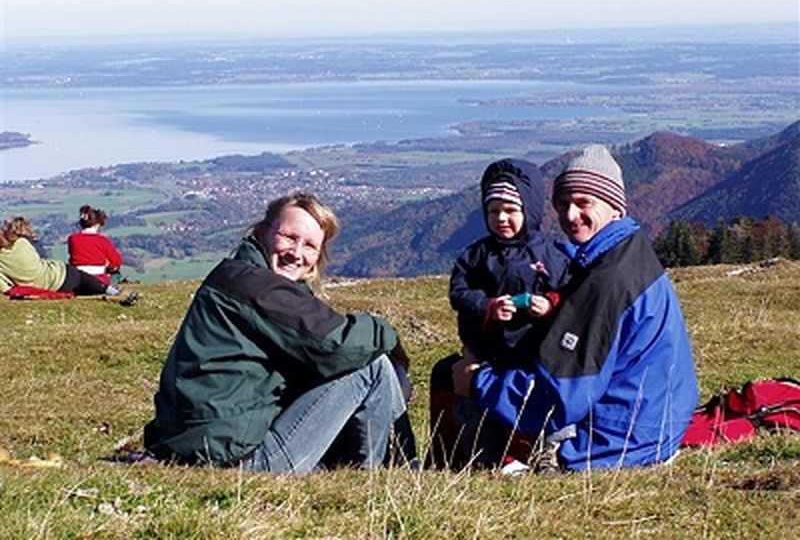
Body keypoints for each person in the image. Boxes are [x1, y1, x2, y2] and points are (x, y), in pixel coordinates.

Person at [450, 145, 699, 471]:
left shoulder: (606, 282)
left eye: (584, 204)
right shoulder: (627, 253)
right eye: (563, 204)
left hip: (618, 441)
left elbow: (560, 396)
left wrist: (479, 381)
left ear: (615, 207)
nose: (569, 215)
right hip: (657, 420)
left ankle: (466, 466)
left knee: (456, 377)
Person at [143, 192, 415, 473]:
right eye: (288, 237)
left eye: (310, 246)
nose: (296, 253)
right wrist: (389, 337)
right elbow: (338, 344)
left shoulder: (238, 276)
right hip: (238, 458)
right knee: (372, 366)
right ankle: (396, 471)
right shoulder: (256, 287)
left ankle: (386, 466)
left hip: (200, 444)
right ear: (262, 231)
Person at [428, 158, 570, 469]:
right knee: (473, 402)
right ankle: (479, 457)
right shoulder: (477, 256)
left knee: (540, 400)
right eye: (494, 211)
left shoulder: (550, 255)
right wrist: (488, 307)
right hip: (487, 352)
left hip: (535, 355)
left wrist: (549, 304)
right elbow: (459, 294)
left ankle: (542, 452)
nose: (501, 218)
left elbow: (570, 294)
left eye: (510, 210)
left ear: (529, 211)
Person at [0, 216, 118, 297]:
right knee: (84, 281)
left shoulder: (73, 238)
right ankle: (112, 291)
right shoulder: (21, 243)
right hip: (62, 273)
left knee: (83, 287)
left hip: (54, 286)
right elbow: (116, 261)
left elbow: (7, 289)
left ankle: (109, 290)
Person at [67, 205, 124, 285]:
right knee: (116, 275)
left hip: (78, 280)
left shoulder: (72, 239)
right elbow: (117, 261)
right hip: (99, 279)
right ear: (97, 224)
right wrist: (107, 267)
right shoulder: (103, 240)